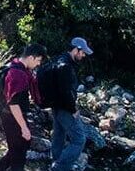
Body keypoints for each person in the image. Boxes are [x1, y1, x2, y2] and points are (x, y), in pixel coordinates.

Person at [43, 37, 93, 171]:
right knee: (79, 139)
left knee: (59, 135)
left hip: (56, 106)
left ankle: (56, 163)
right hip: (65, 108)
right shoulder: (66, 66)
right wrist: (73, 109)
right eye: (82, 52)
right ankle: (59, 167)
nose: (83, 55)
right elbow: (66, 92)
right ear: (76, 49)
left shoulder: (59, 60)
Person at [0, 44, 47, 171]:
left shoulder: (16, 66)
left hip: (9, 114)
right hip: (11, 115)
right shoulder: (18, 74)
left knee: (19, 147)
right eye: (39, 60)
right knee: (19, 154)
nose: (39, 64)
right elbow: (13, 103)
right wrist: (24, 127)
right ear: (31, 57)